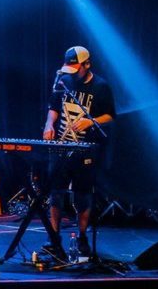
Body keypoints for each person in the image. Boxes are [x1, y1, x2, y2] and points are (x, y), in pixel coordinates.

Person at [40, 45, 116, 258]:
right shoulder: (63, 81)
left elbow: (110, 115)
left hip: (85, 148)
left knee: (83, 195)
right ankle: (53, 238)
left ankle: (82, 236)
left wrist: (90, 122)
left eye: (76, 69)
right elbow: (53, 107)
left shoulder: (100, 86)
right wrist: (49, 124)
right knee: (56, 193)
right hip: (61, 146)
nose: (72, 73)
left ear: (87, 64)